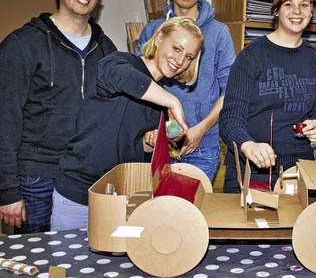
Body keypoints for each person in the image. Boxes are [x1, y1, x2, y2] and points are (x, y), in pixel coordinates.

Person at [51, 17, 204, 231]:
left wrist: (150, 142)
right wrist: (173, 101)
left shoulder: (160, 101)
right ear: (159, 38)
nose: (180, 61)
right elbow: (116, 76)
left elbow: (126, 144)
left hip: (118, 199)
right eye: (176, 48)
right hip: (79, 195)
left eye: (188, 57)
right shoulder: (120, 62)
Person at [0, 0, 117, 233]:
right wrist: (7, 189)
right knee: (37, 264)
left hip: (85, 176)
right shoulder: (23, 45)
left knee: (82, 262)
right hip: (35, 176)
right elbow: (4, 119)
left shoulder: (107, 49)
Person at [220, 0, 316, 193]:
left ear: (311, 11)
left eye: (304, 4)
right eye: (288, 4)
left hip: (298, 170)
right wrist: (248, 145)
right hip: (251, 169)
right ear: (276, 10)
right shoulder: (251, 57)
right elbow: (229, 119)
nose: (297, 11)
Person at [136, 0, 236, 181]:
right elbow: (136, 82)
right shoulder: (153, 30)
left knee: (191, 215)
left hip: (201, 147)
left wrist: (200, 130)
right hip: (156, 143)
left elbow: (229, 90)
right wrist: (149, 132)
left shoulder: (219, 33)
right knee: (155, 212)